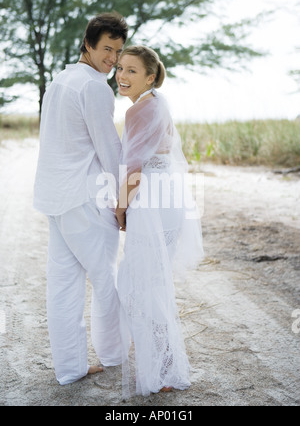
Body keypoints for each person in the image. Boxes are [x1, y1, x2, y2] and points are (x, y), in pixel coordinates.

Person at [33, 13, 128, 385]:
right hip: (85, 200)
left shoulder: (60, 80)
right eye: (107, 49)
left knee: (63, 286)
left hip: (56, 199)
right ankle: (114, 354)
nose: (113, 59)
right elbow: (110, 150)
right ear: (88, 44)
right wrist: (124, 201)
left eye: (118, 52)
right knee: (106, 282)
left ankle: (70, 368)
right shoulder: (93, 87)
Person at [115, 46, 204, 398]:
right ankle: (163, 361)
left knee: (140, 283)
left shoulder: (140, 109)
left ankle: (162, 366)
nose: (122, 76)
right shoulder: (157, 103)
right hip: (170, 198)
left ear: (150, 76)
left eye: (132, 71)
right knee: (152, 281)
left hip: (151, 199)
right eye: (120, 68)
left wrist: (119, 207)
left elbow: (135, 169)